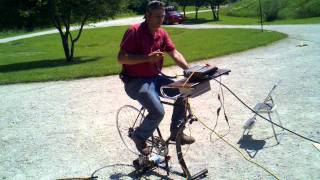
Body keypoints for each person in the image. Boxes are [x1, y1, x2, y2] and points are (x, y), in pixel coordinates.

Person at [117, 1, 195, 156]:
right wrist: (146, 58)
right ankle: (139, 137)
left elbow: (174, 53)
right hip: (136, 82)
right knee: (158, 112)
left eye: (163, 16)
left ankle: (176, 133)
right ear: (148, 15)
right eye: (157, 16)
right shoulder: (134, 31)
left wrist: (190, 70)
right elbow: (121, 58)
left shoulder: (162, 33)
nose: (161, 20)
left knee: (184, 90)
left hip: (156, 78)